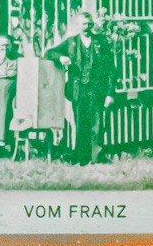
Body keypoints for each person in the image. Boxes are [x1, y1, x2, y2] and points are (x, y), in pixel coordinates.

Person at [50, 9, 117, 165]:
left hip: (96, 89)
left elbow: (111, 70)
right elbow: (49, 53)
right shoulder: (71, 42)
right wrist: (61, 57)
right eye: (83, 24)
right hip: (78, 89)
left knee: (97, 124)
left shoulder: (101, 42)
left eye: (89, 24)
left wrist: (110, 93)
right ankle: (81, 157)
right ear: (78, 25)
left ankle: (96, 157)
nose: (86, 27)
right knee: (80, 123)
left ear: (92, 25)